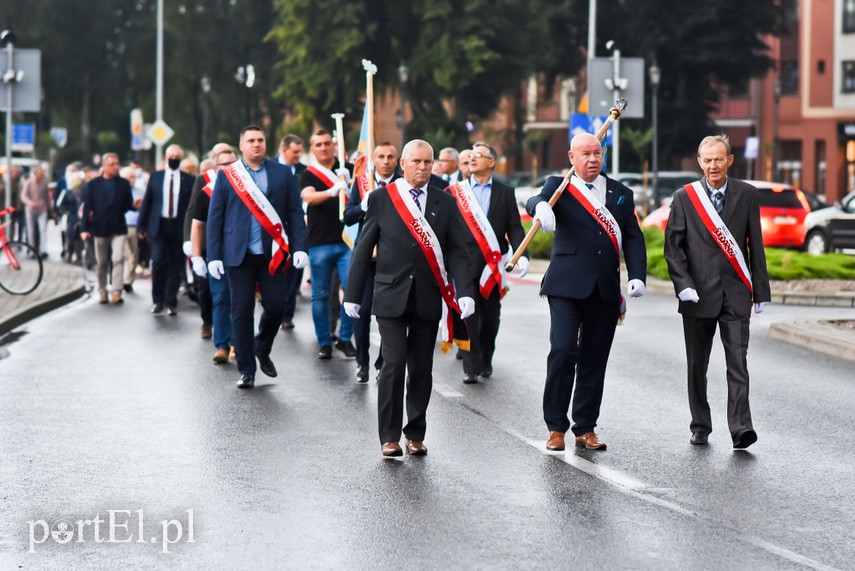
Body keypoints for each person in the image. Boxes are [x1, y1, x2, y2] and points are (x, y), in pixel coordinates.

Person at [343, 139, 475, 457]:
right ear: (403, 164)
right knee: (394, 363)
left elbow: (458, 249)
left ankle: (414, 434)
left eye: (428, 162)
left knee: (421, 368)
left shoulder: (445, 203)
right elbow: (363, 248)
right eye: (416, 161)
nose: (422, 167)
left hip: (428, 297)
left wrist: (466, 291)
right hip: (390, 294)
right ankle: (388, 436)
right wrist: (353, 293)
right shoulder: (381, 199)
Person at [525, 133, 647, 452]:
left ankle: (585, 428)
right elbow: (534, 200)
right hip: (565, 285)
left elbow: (633, 236)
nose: (593, 159)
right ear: (571, 157)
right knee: (564, 351)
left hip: (604, 289)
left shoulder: (621, 193)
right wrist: (541, 207)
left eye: (597, 153)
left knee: (594, 359)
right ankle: (555, 427)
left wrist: (637, 275)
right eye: (585, 154)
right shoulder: (560, 185)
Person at [664, 134, 771, 449]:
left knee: (738, 361)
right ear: (700, 162)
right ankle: (700, 424)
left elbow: (756, 245)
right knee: (697, 364)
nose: (713, 165)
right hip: (697, 294)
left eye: (718, 159)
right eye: (707, 160)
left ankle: (741, 428)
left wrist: (760, 290)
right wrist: (682, 285)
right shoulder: (685, 197)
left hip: (736, 293)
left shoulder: (748, 195)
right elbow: (673, 248)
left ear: (729, 161)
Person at [206, 125, 308, 388]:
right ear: (241, 145)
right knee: (241, 310)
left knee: (276, 306)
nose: (256, 144)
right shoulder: (229, 175)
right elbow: (215, 216)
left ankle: (261, 347)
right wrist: (213, 255)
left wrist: (300, 248)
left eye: (260, 140)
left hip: (272, 253)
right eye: (250, 140)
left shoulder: (283, 173)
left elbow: (295, 212)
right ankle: (247, 369)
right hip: (237, 254)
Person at [449, 142, 528, 383]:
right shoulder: (456, 191)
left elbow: (514, 227)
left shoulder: (506, 192)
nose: (472, 159)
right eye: (470, 156)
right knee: (468, 315)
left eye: (478, 156)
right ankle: (471, 366)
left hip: (492, 265)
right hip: (464, 263)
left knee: (491, 317)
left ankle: (486, 356)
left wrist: (522, 253)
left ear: (491, 162)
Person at [342, 142, 400, 382]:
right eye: (381, 157)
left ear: (398, 161)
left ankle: (382, 362)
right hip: (368, 258)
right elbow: (347, 216)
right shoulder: (362, 183)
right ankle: (362, 362)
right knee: (363, 311)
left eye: (390, 157)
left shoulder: (403, 185)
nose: (385, 161)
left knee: (388, 314)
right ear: (373, 160)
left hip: (394, 259)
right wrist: (363, 205)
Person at [299, 129, 356, 359]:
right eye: (318, 145)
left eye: (326, 144)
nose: (323, 148)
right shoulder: (307, 174)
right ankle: (324, 341)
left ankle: (344, 338)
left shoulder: (347, 169)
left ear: (334, 145)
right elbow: (308, 197)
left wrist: (349, 185)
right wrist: (333, 190)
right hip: (319, 242)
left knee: (352, 291)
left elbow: (364, 195)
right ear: (312, 149)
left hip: (347, 241)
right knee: (320, 295)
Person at [188, 144, 237, 363]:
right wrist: (196, 256)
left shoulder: (248, 190)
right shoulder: (206, 191)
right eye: (223, 164)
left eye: (232, 164)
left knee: (240, 300)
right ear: (215, 167)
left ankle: (238, 342)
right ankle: (222, 345)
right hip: (215, 253)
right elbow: (197, 225)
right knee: (220, 298)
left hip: (240, 253)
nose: (228, 168)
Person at [138, 144, 196, 315]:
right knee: (158, 262)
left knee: (176, 266)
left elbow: (191, 208)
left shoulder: (189, 180)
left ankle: (171, 301)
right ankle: (158, 300)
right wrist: (141, 226)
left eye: (178, 158)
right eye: (172, 157)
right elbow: (147, 203)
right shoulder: (155, 178)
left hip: (178, 227)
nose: (174, 160)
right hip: (159, 227)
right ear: (166, 157)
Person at [80, 153, 134, 304]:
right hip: (100, 227)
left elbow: (128, 204)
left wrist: (135, 206)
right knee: (102, 262)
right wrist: (84, 228)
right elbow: (87, 208)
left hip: (119, 228)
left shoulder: (123, 183)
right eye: (112, 164)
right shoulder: (93, 184)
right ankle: (102, 290)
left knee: (118, 259)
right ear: (104, 166)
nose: (116, 167)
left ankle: (117, 291)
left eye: (117, 164)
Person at [277, 134, 307, 330]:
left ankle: (287, 315)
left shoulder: (305, 171)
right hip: (274, 228)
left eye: (300, 152)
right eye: (295, 152)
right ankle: (273, 308)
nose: (298, 155)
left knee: (295, 273)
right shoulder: (269, 167)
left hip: (298, 226)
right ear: (284, 150)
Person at [120, 166, 145, 293]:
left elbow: (145, 209)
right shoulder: (119, 190)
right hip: (121, 226)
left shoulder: (140, 191)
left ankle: (128, 281)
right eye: (129, 177)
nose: (132, 180)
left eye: (133, 177)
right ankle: (121, 280)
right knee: (121, 255)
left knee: (133, 256)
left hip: (134, 226)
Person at [20, 166, 51, 258]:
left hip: (42, 209)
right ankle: (32, 250)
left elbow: (47, 197)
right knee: (31, 230)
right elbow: (23, 196)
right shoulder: (29, 183)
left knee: (42, 229)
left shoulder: (44, 183)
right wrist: (30, 203)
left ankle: (43, 250)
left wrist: (49, 209)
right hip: (31, 210)